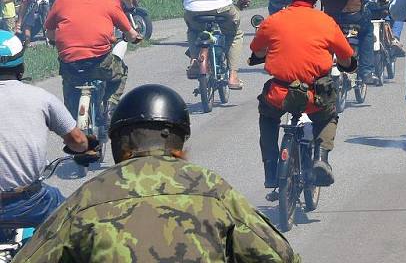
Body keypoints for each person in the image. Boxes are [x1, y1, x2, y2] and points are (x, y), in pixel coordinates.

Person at [16, 83, 299, 262]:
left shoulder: (87, 198)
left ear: (119, 141)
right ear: (178, 138)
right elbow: (280, 256)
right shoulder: (214, 190)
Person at [250, 0, 355, 192]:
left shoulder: (273, 20)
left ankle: (270, 168)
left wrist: (262, 55)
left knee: (268, 118)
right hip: (313, 96)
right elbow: (346, 56)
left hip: (279, 95)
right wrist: (349, 65)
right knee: (328, 116)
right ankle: (321, 158)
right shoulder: (326, 22)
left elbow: (256, 49)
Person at [0, 30, 92, 230]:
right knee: (79, 225)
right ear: (21, 67)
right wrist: (86, 148)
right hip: (30, 203)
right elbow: (78, 141)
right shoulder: (41, 98)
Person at [45, 0, 142, 127]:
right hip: (100, 64)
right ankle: (111, 107)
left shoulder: (61, 2)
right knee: (120, 72)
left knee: (69, 88)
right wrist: (134, 37)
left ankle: (71, 124)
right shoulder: (108, 4)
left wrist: (56, 41)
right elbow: (131, 33)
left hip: (70, 65)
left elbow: (50, 32)